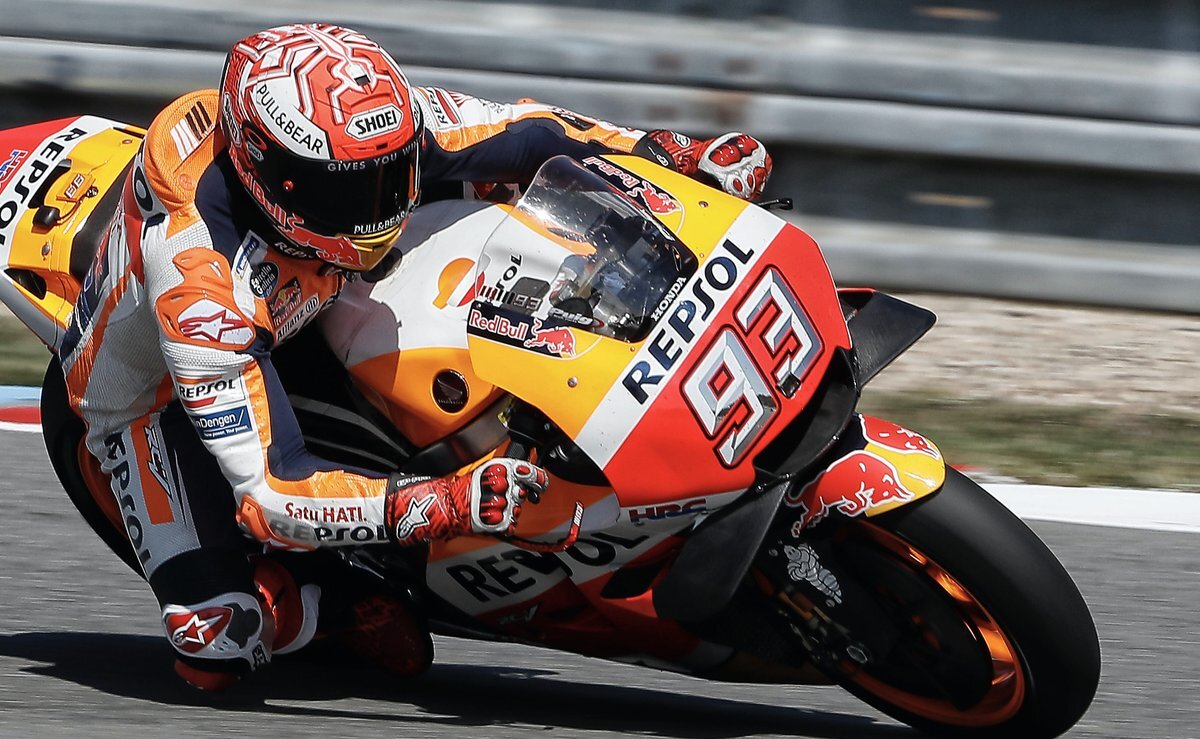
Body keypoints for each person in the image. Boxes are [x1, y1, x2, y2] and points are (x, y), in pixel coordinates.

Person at [56, 22, 773, 691]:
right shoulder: (202, 286)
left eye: (389, 173)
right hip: (160, 399)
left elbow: (529, 131)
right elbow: (272, 493)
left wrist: (670, 153)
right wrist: (450, 503)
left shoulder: (365, 129)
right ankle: (322, 604)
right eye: (346, 191)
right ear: (266, 175)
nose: (376, 208)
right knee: (216, 641)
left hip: (313, 287)